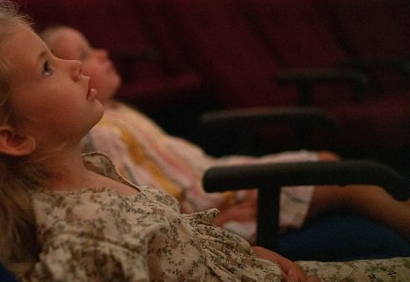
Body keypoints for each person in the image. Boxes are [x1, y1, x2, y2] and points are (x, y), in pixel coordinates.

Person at [0, 0, 409, 282]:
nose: (75, 66)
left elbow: (181, 239)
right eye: (47, 67)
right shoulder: (85, 237)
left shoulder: (95, 166)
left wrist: (259, 255)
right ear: (13, 138)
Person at [40, 25, 410, 243]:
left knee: (343, 171)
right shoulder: (100, 134)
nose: (101, 54)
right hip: (216, 204)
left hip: (219, 180)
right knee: (348, 179)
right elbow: (147, 201)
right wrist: (219, 219)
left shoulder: (118, 111)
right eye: (84, 53)